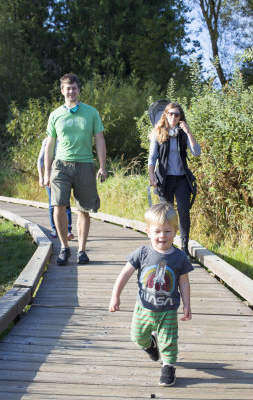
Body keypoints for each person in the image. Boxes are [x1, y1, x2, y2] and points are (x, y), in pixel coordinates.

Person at [109, 202, 193, 387]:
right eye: (157, 231)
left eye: (167, 231)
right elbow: (125, 274)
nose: (162, 236)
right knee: (137, 336)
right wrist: (116, 296)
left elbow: (184, 281)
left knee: (169, 341)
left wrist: (187, 304)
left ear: (175, 231)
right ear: (148, 231)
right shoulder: (143, 253)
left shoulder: (179, 257)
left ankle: (169, 366)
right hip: (143, 307)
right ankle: (150, 345)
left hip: (168, 309)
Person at [44, 73, 106, 266]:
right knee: (58, 205)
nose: (71, 91)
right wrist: (47, 172)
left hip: (85, 164)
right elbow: (50, 145)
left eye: (74, 88)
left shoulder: (91, 113)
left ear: (79, 90)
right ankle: (64, 248)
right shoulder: (55, 115)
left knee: (84, 209)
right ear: (62, 91)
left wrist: (103, 166)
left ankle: (81, 250)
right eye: (67, 88)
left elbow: (99, 139)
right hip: (61, 165)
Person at [148, 102, 201, 258]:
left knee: (184, 212)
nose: (173, 117)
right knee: (165, 214)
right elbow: (152, 159)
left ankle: (184, 246)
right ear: (166, 114)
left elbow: (196, 152)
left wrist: (189, 132)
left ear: (181, 117)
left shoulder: (183, 133)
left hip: (181, 179)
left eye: (177, 114)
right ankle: (166, 246)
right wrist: (152, 176)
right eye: (170, 113)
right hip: (164, 180)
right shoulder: (158, 133)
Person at [37, 137, 74, 240]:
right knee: (53, 204)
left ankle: (68, 230)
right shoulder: (47, 141)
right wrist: (41, 177)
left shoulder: (66, 140)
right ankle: (54, 228)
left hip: (64, 177)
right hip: (50, 177)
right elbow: (40, 161)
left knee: (66, 203)